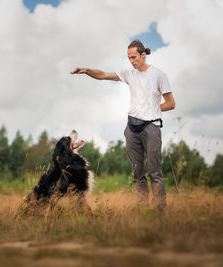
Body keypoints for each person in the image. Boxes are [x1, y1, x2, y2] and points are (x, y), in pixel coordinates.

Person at [70, 39, 175, 212]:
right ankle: (142, 211)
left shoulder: (158, 75)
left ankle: (159, 214)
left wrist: (152, 109)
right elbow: (103, 75)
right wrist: (87, 71)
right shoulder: (129, 73)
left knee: (155, 173)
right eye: (129, 58)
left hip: (151, 128)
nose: (131, 61)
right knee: (137, 174)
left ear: (143, 55)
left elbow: (171, 104)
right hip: (132, 128)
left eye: (134, 57)